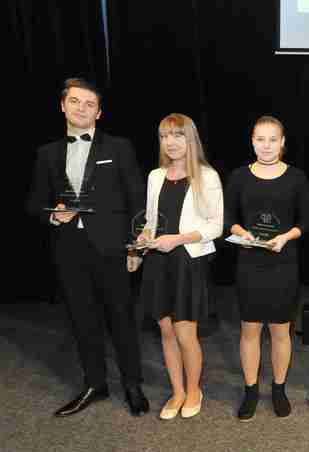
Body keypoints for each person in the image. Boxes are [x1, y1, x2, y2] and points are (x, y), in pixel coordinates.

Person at [25, 77, 149, 417]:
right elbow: (34, 202)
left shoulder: (119, 147)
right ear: (62, 106)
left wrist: (135, 248)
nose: (82, 108)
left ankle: (133, 384)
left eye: (89, 104)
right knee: (82, 321)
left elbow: (137, 198)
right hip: (69, 251)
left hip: (112, 248)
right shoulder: (47, 153)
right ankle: (95, 383)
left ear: (99, 113)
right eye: (75, 101)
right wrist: (53, 216)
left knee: (122, 319)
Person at [224, 115, 309, 421]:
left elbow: (308, 220)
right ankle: (251, 390)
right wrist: (241, 232)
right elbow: (227, 217)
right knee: (249, 328)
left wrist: (286, 237)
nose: (266, 145)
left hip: (283, 262)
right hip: (249, 262)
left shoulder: (296, 178)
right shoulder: (239, 176)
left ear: (282, 142)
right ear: (252, 141)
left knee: (280, 329)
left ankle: (278, 389)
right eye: (260, 139)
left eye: (273, 139)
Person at [136, 113, 223, 420]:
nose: (170, 142)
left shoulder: (207, 176)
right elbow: (150, 221)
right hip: (158, 262)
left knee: (186, 334)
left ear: (190, 139)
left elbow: (215, 226)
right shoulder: (155, 176)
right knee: (166, 332)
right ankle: (177, 391)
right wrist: (142, 239)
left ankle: (194, 389)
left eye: (177, 135)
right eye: (164, 136)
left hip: (188, 261)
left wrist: (178, 239)